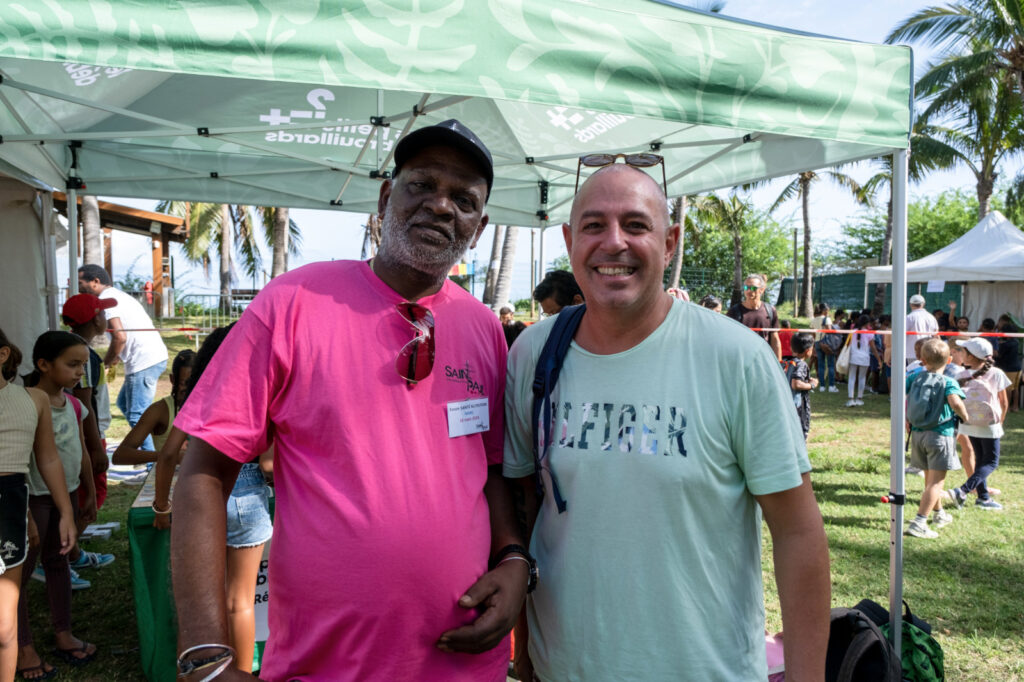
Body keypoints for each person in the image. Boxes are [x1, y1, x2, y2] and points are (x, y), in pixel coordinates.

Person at [169, 119, 527, 682]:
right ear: (386, 197)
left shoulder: (483, 329)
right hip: (327, 666)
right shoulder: (293, 302)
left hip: (467, 662)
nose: (440, 206)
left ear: (478, 229)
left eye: (463, 199)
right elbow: (203, 468)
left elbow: (493, 470)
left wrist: (512, 560)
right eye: (421, 185)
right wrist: (205, 653)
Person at [504, 164, 829, 681]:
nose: (614, 243)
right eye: (593, 226)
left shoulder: (735, 357)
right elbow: (520, 508)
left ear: (670, 240)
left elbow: (797, 532)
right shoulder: (534, 353)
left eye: (636, 225)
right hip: (562, 667)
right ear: (569, 240)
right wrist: (524, 658)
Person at [153, 326, 273, 674]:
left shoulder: (197, 400)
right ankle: (241, 674)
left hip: (199, 494)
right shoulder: (260, 399)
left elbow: (167, 455)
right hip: (248, 490)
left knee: (195, 613)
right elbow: (267, 462)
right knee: (240, 602)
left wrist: (162, 506)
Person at [18, 332, 98, 678]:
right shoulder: (25, 403)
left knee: (59, 562)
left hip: (65, 497)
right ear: (44, 365)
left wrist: (90, 492)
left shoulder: (74, 404)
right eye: (73, 364)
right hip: (33, 499)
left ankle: (63, 634)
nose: (81, 371)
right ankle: (23, 647)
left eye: (83, 364)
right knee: (17, 577)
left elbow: (79, 451)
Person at [0, 329, 76, 682]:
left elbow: (47, 459)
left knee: (4, 626)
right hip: (17, 503)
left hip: (12, 503)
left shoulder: (33, 399)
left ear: (2, 355)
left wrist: (65, 513)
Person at [77, 264, 168, 451]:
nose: (78, 288)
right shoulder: (117, 295)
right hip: (149, 357)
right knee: (124, 404)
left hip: (144, 360)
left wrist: (104, 364)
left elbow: (120, 336)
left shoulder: (106, 299)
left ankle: (152, 465)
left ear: (95, 282)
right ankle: (149, 453)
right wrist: (115, 358)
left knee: (137, 415)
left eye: (80, 283)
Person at [59, 295, 116, 574]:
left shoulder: (69, 347)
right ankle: (60, 557)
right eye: (103, 313)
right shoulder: (86, 355)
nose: (106, 318)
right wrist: (95, 448)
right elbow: (85, 405)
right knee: (91, 496)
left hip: (77, 433)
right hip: (87, 435)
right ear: (96, 319)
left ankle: (72, 554)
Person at [903, 339, 969, 539]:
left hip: (918, 435)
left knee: (929, 478)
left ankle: (939, 514)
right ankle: (920, 522)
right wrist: (966, 417)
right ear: (949, 360)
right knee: (936, 483)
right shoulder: (949, 382)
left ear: (922, 360)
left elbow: (905, 396)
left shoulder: (914, 377)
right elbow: (955, 402)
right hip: (941, 435)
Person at [944, 338, 1011, 511]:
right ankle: (963, 490)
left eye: (963, 351)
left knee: (981, 460)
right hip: (989, 424)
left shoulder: (961, 375)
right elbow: (1003, 402)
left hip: (968, 422)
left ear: (972, 356)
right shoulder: (996, 373)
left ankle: (983, 498)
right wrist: (1000, 422)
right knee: (991, 462)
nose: (960, 352)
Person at [112, 349, 194, 466]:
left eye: (196, 383)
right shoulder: (160, 411)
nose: (191, 390)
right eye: (184, 383)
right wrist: (168, 456)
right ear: (172, 380)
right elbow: (120, 456)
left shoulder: (209, 407)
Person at [726, 273, 782, 361]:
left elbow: (775, 339)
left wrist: (779, 364)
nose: (748, 291)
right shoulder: (734, 311)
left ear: (762, 290)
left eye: (753, 288)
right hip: (742, 360)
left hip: (764, 359)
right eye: (746, 288)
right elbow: (728, 339)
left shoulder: (770, 310)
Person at [788, 332, 818, 440]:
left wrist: (806, 380)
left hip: (787, 406)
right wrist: (812, 385)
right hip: (799, 408)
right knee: (800, 435)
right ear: (808, 351)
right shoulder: (801, 364)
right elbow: (796, 383)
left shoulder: (787, 362)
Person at [845, 314, 874, 407]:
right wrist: (879, 359)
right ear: (867, 323)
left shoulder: (852, 331)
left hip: (854, 357)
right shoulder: (870, 333)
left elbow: (848, 343)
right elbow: (873, 347)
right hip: (864, 358)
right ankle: (859, 398)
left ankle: (850, 399)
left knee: (852, 377)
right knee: (862, 378)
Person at [994, 316, 1021, 412]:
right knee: (1016, 388)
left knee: (1008, 388)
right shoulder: (1016, 341)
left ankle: (1007, 407)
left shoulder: (1006, 344)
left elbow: (998, 355)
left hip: (1010, 368)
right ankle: (1015, 407)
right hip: (1017, 368)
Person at [812, 304, 840, 393]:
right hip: (827, 343)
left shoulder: (813, 320)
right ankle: (831, 386)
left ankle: (822, 386)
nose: (828, 312)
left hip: (817, 342)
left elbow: (812, 334)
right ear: (824, 310)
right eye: (827, 310)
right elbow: (829, 331)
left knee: (821, 365)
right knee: (831, 364)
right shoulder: (827, 319)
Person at [905, 294, 938, 364]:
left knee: (912, 373)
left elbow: (901, 336)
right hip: (928, 352)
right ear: (923, 304)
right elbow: (936, 336)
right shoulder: (931, 317)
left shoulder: (909, 317)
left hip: (911, 353)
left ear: (910, 304)